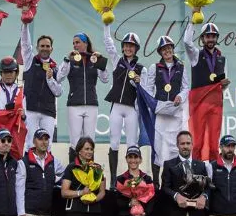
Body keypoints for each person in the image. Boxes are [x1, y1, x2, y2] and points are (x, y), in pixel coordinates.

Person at [143, 36, 190, 187]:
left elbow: (186, 87)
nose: (167, 50)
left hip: (175, 111)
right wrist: (152, 104)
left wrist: (180, 97)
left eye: (169, 47)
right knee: (157, 146)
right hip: (161, 111)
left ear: (172, 48)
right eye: (164, 49)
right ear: (160, 52)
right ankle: (156, 183)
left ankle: (175, 182)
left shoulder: (181, 66)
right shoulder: (154, 67)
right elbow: (149, 89)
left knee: (175, 147)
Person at [102, 23, 145, 184]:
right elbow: (108, 42)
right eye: (126, 45)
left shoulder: (141, 68)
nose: (128, 48)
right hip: (117, 107)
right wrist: (107, 24)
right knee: (114, 142)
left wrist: (137, 82)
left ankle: (132, 178)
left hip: (132, 109)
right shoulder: (116, 60)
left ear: (136, 49)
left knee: (132, 144)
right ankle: (113, 179)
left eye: (132, 46)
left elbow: (145, 89)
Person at [56, 33, 109, 163]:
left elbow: (105, 79)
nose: (75, 45)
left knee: (90, 141)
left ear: (86, 43)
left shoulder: (93, 59)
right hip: (74, 105)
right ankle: (73, 174)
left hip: (91, 104)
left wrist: (101, 62)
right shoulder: (71, 60)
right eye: (74, 43)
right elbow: (59, 77)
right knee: (75, 141)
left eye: (78, 42)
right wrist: (66, 60)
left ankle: (90, 174)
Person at [183, 21, 231, 161]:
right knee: (197, 141)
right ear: (202, 38)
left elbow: (224, 84)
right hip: (199, 104)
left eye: (213, 36)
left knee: (213, 142)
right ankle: (197, 170)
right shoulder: (196, 55)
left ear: (217, 38)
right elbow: (186, 42)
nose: (210, 39)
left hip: (216, 104)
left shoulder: (222, 59)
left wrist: (223, 84)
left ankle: (213, 172)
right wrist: (193, 19)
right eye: (207, 36)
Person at [20, 23, 63, 149]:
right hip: (31, 110)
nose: (45, 48)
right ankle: (29, 168)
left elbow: (59, 92)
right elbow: (25, 44)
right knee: (30, 144)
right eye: (42, 46)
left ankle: (47, 168)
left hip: (48, 112)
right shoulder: (29, 61)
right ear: (37, 48)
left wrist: (50, 79)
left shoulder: (56, 68)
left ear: (52, 49)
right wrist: (25, 23)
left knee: (47, 145)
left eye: (47, 46)